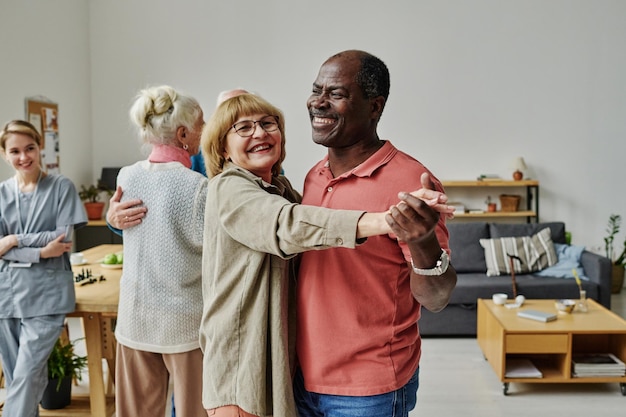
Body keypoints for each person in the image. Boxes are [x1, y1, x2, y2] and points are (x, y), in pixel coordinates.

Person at [198, 93, 452, 417]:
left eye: (267, 123)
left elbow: (310, 222)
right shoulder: (228, 187)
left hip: (304, 369)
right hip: (242, 362)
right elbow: (289, 225)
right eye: (243, 128)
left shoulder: (284, 188)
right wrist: (386, 218)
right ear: (222, 148)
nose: (260, 133)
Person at [293, 50, 458, 417]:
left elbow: (437, 297)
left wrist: (422, 240)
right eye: (316, 89)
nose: (319, 102)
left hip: (368, 390)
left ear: (374, 107)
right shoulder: (313, 176)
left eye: (336, 93)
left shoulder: (408, 182)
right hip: (302, 377)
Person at [112, 85, 207, 417]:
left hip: (134, 317)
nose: (204, 132)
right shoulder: (197, 186)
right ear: (183, 134)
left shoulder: (127, 176)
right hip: (184, 324)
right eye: (201, 124)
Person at [0, 119, 87, 416]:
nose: (24, 157)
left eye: (30, 148)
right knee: (17, 381)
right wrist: (38, 252)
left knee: (25, 376)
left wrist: (12, 241)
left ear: (40, 148)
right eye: (15, 151)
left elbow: (61, 236)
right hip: (6, 297)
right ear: (4, 155)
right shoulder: (0, 194)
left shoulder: (61, 186)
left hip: (47, 296)